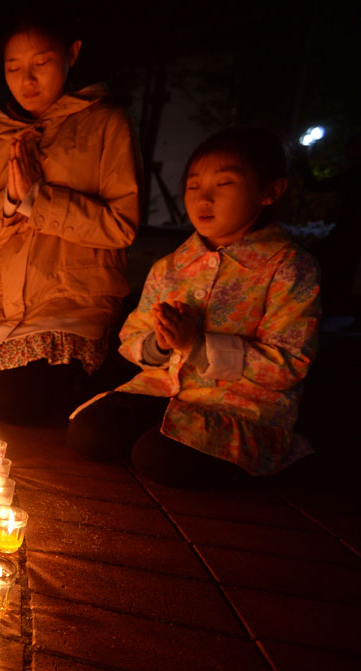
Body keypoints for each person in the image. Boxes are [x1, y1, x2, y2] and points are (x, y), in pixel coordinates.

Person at [67, 128, 321, 488]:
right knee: (88, 434)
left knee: (155, 458)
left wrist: (198, 346)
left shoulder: (288, 268)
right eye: (193, 185)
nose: (204, 198)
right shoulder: (171, 267)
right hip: (163, 388)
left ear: (270, 192)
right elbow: (131, 336)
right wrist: (160, 344)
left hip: (239, 407)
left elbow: (291, 362)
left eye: (224, 184)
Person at [0, 8, 141, 425]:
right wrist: (10, 201)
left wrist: (38, 201)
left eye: (41, 64)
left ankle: (96, 386)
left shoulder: (106, 123)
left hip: (72, 299)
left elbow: (121, 226)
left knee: (14, 401)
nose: (27, 80)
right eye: (14, 68)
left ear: (73, 53)